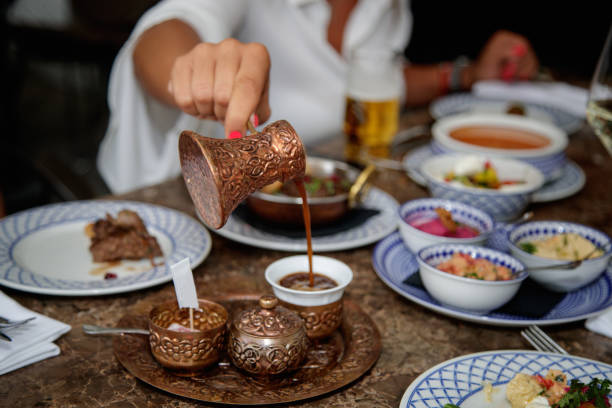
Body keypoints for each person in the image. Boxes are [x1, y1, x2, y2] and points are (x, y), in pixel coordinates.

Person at [97, 0, 538, 194]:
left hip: (322, 184)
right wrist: (191, 68)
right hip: (182, 203)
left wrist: (464, 74)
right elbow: (172, 26)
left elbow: (374, 77)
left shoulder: (387, 5)